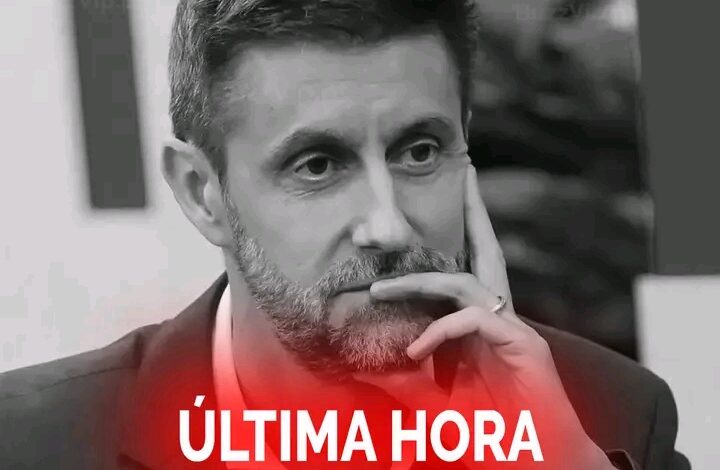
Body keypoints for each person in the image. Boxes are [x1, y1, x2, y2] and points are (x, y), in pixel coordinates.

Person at [0, 1, 689, 469]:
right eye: (318, 165)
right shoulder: (32, 442)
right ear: (201, 192)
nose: (388, 226)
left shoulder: (612, 421)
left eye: (420, 151)